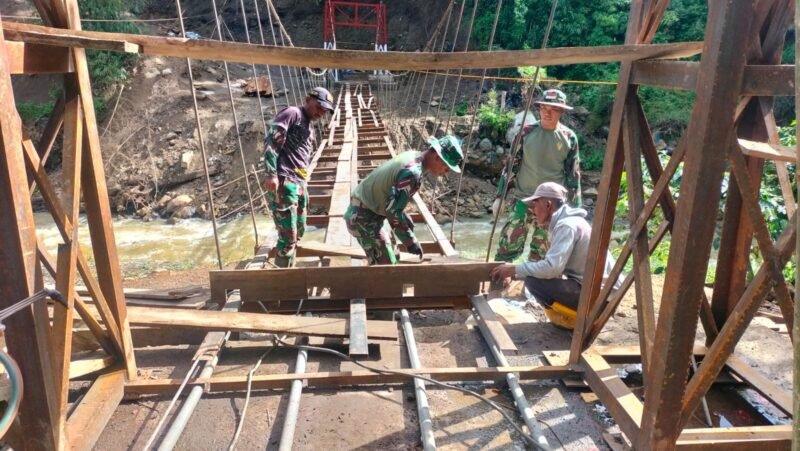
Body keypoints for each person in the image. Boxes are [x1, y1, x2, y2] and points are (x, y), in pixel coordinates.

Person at [490, 182, 621, 328]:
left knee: (533, 281)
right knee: (535, 274)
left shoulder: (566, 226)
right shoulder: (571, 222)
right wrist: (518, 271)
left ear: (547, 205)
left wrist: (514, 269)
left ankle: (575, 320)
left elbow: (552, 268)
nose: (533, 211)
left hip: (601, 298)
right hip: (605, 293)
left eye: (535, 205)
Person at [493, 89, 581, 264]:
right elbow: (511, 166)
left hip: (552, 206)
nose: (547, 113)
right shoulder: (525, 133)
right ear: (539, 108)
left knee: (542, 254)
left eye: (553, 109)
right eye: (544, 108)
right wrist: (500, 197)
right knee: (507, 248)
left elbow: (573, 176)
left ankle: (533, 289)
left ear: (561, 111)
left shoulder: (569, 138)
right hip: (523, 199)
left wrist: (575, 209)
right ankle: (498, 285)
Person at [346, 135, 463, 265]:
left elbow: (393, 199)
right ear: (437, 157)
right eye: (447, 167)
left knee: (394, 255)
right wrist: (410, 241)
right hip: (362, 217)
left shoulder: (412, 155)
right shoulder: (413, 172)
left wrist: (404, 218)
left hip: (370, 211)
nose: (446, 172)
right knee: (387, 265)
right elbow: (392, 211)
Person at [262, 87, 334, 267]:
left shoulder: (309, 124)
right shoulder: (292, 113)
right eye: (319, 107)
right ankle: (283, 284)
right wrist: (271, 173)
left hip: (300, 184)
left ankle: (289, 270)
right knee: (288, 237)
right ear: (308, 99)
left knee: (299, 230)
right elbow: (271, 141)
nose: (321, 112)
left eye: (325, 110)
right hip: (285, 181)